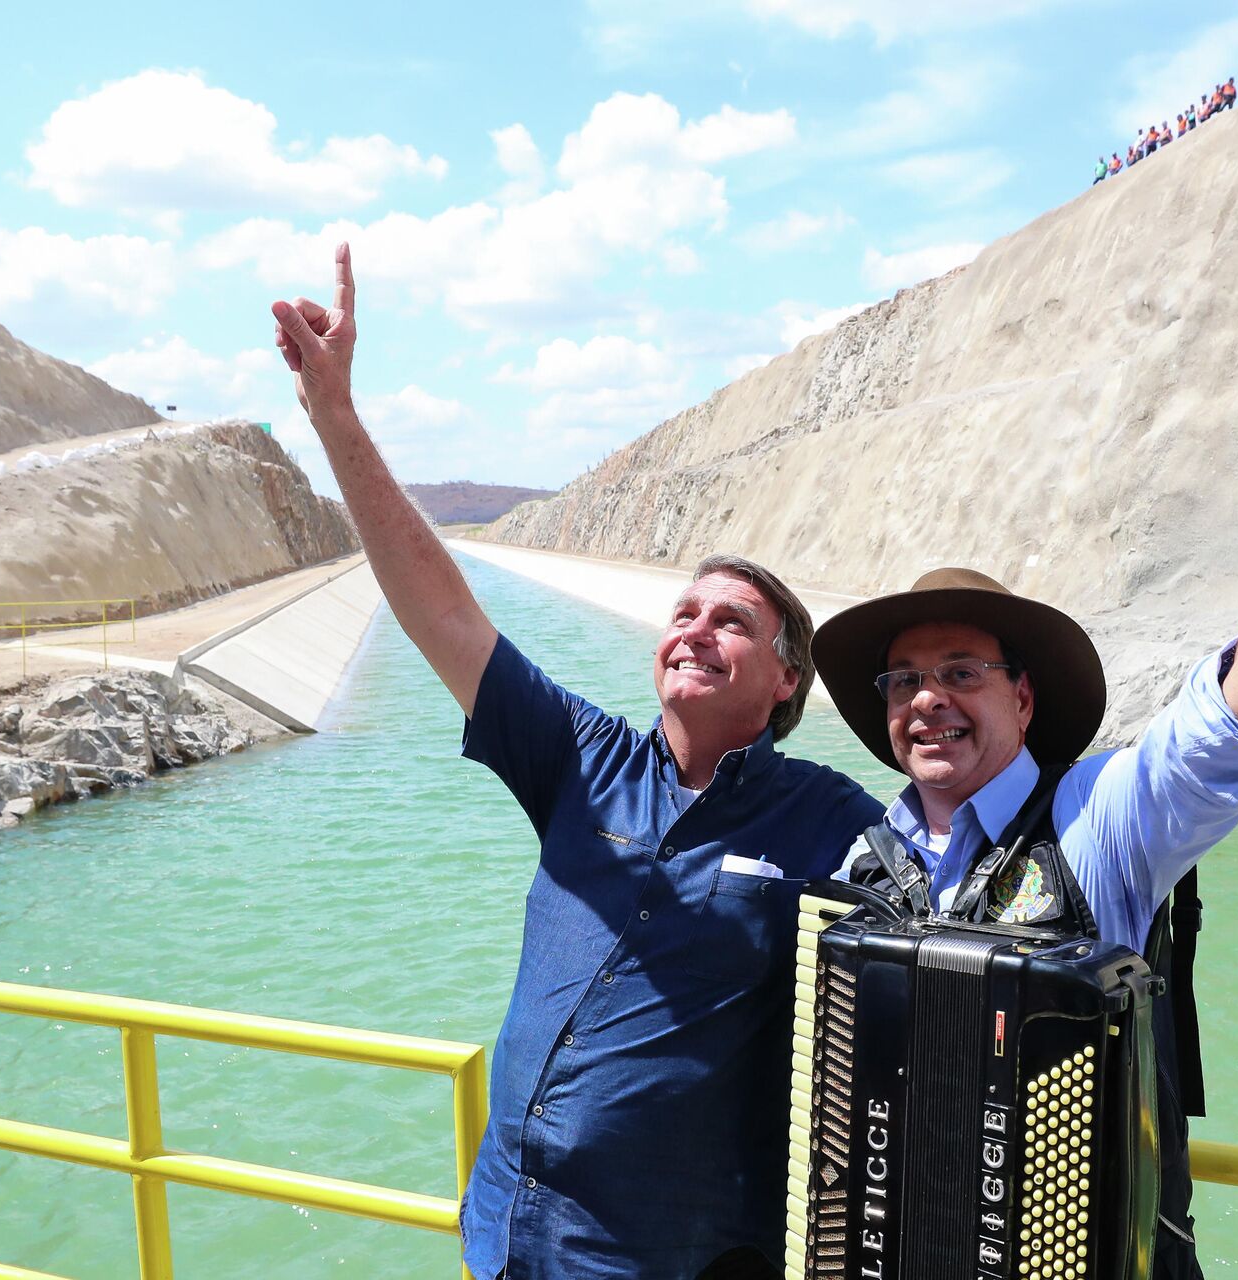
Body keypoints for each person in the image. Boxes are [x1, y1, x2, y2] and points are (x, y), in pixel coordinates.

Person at [809, 218, 1238, 1278]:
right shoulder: (861, 869)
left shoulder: (1101, 819)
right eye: (905, 678)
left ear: (1024, 698)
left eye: (960, 671)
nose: (927, 699)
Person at [269, 247, 884, 1280]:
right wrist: (335, 413)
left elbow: (957, 887)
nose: (692, 629)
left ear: (786, 679)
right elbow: (444, 611)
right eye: (682, 610)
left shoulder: (832, 821)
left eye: (730, 621)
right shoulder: (580, 758)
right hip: (506, 1237)